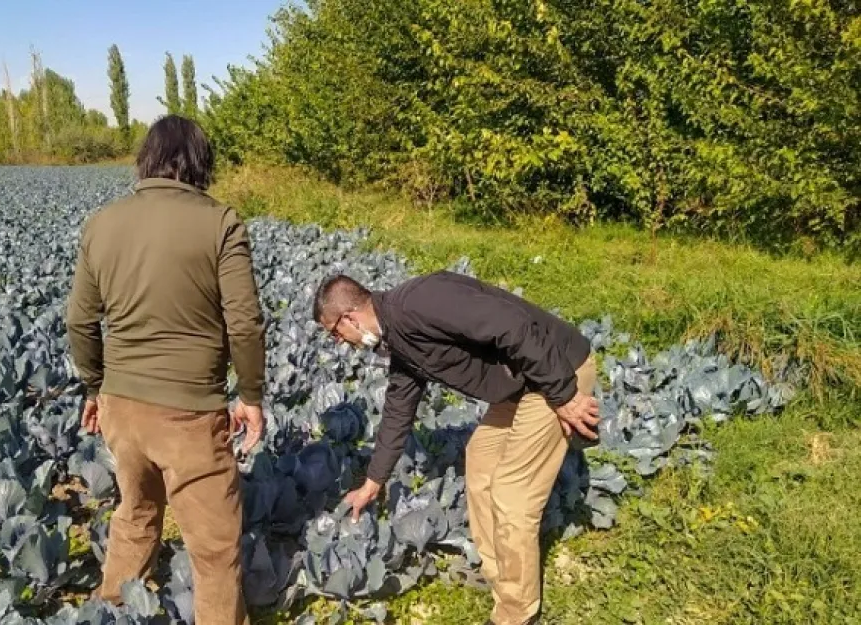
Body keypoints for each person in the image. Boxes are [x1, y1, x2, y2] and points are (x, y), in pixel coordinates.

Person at [65, 114, 266, 625]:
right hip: (189, 414)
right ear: (200, 163)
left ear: (147, 160)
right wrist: (252, 395)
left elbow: (80, 322)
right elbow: (244, 323)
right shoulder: (221, 222)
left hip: (123, 411)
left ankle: (108, 611)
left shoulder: (102, 224)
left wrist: (95, 388)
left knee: (135, 511)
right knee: (215, 547)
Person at [312, 271, 600, 625]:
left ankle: (517, 613)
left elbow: (512, 324)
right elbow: (398, 409)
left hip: (555, 370)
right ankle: (503, 579)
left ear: (349, 318)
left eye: (333, 332)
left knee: (513, 494)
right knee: (479, 463)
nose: (339, 342)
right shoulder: (399, 338)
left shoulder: (420, 302)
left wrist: (564, 393)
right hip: (520, 386)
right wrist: (374, 481)